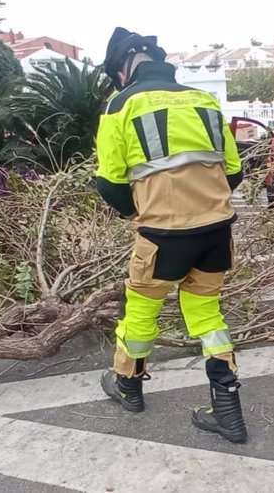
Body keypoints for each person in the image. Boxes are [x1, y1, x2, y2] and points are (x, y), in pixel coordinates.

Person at [94, 27, 247, 443]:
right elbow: (234, 171)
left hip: (163, 236)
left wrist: (138, 210)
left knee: (142, 311)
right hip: (216, 232)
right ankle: (228, 411)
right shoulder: (205, 101)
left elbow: (109, 183)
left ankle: (129, 387)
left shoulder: (121, 104)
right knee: (208, 316)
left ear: (123, 68)